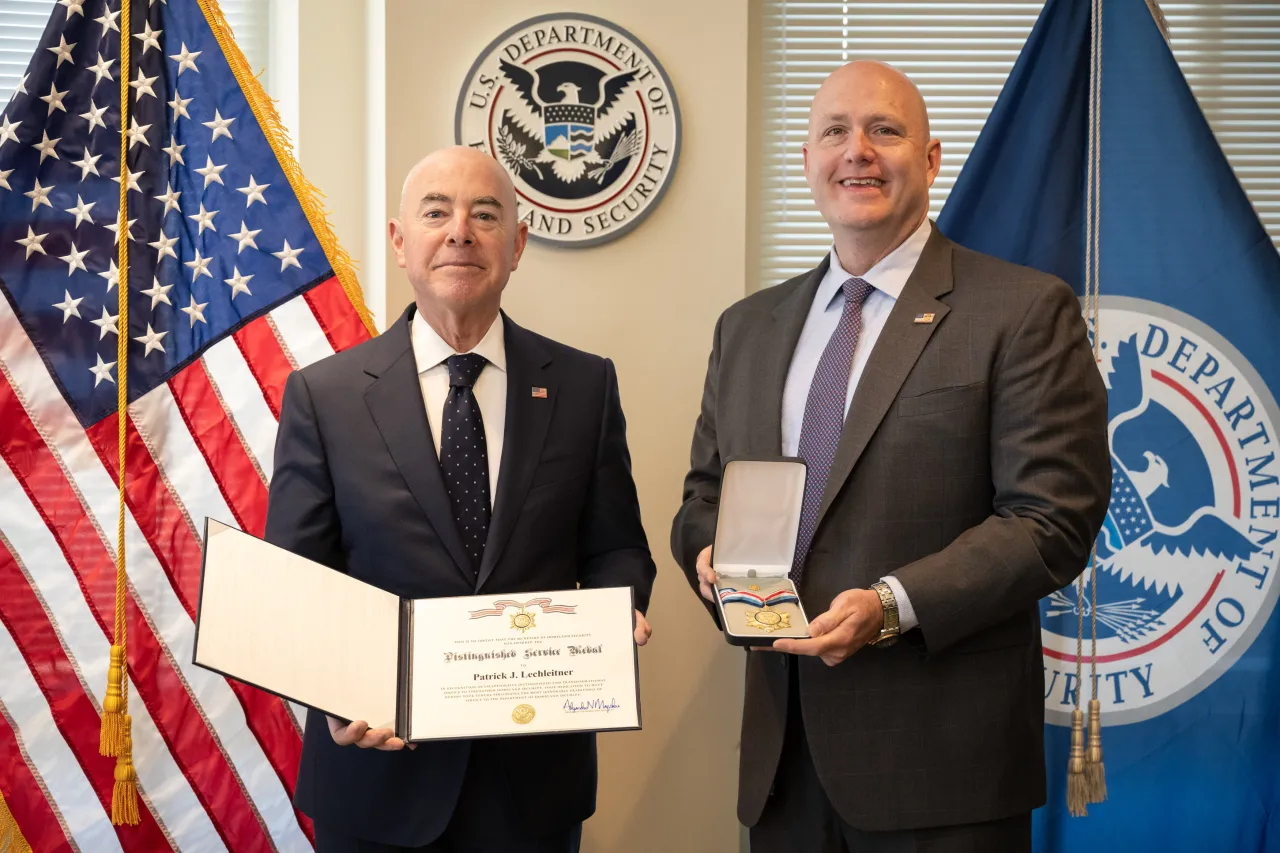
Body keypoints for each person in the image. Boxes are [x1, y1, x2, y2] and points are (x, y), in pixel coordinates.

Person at [671, 61, 1110, 852]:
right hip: (784, 766)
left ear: (933, 158)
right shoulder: (748, 326)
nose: (857, 151)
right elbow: (703, 494)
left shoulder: (1022, 311)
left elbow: (1052, 518)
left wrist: (888, 604)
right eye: (834, 132)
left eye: (885, 130)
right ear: (807, 160)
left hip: (944, 768)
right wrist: (707, 549)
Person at [265, 146, 656, 853]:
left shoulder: (583, 386)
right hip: (378, 775)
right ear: (399, 241)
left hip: (532, 781)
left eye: (485, 214)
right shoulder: (324, 396)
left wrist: (615, 610)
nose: (460, 232)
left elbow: (617, 546)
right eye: (436, 212)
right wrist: (329, 694)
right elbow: (296, 579)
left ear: (517, 244)